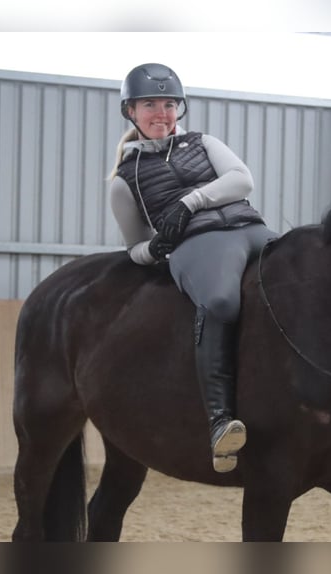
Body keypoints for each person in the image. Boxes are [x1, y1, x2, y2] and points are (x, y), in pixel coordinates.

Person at [108, 63, 278, 473]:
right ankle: (220, 421)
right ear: (131, 111)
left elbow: (242, 180)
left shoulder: (204, 143)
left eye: (169, 104)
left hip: (252, 228)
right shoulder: (123, 180)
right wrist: (157, 247)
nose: (161, 113)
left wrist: (189, 202)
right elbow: (134, 248)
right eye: (150, 104)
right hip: (198, 246)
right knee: (220, 302)